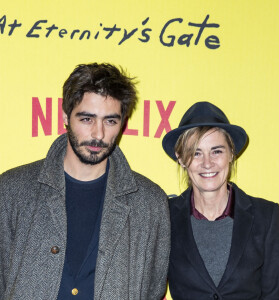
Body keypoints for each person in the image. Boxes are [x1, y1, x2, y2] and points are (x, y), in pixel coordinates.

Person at [0, 63, 170, 300]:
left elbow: (152, 290)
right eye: (87, 119)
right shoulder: (11, 190)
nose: (98, 134)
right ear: (65, 116)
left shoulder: (150, 203)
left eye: (110, 121)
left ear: (122, 122)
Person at [162, 102, 279, 299]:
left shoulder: (266, 216)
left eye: (217, 151)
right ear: (180, 158)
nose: (207, 163)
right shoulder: (164, 217)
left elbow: (277, 294)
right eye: (196, 153)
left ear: (231, 153)